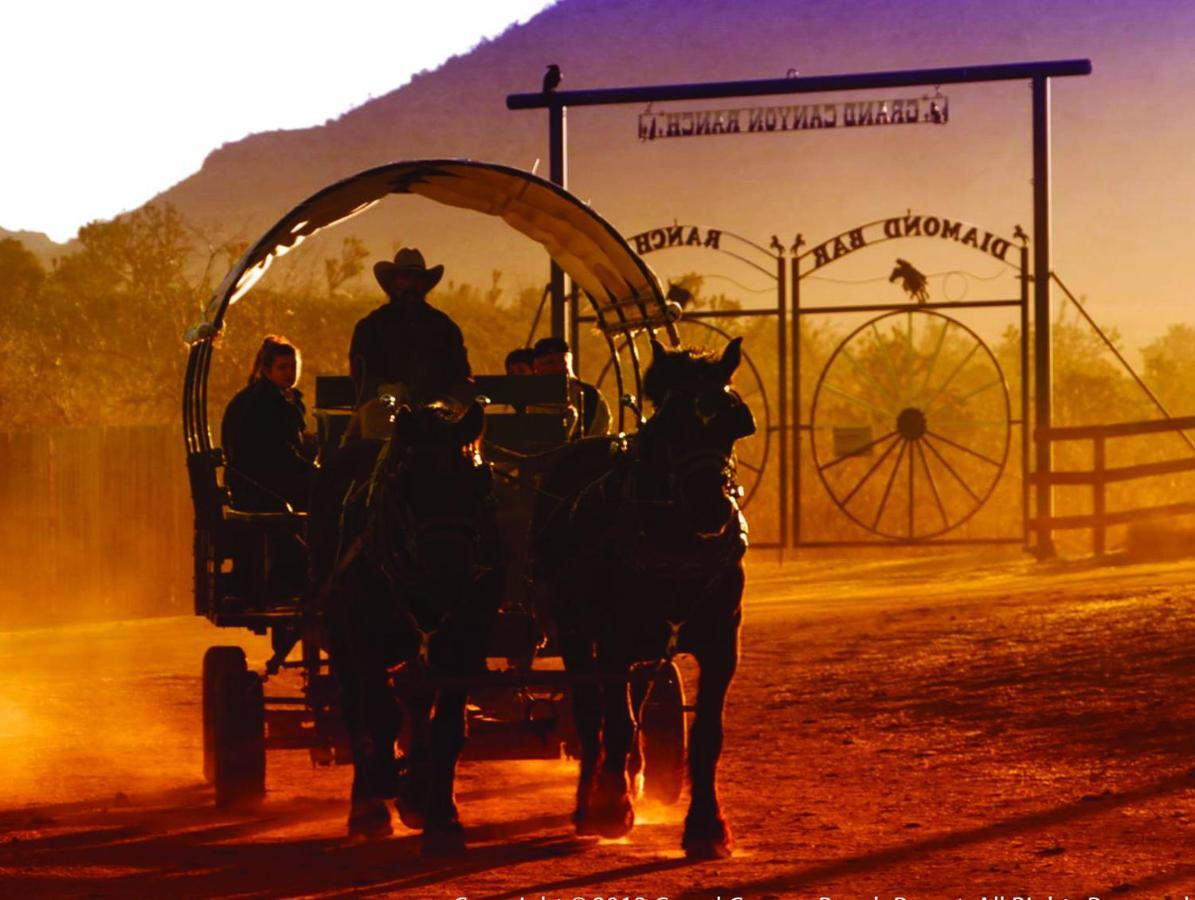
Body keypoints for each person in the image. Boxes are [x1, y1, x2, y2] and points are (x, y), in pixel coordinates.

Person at [349, 248, 473, 411]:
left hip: (435, 415)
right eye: (406, 276)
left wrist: (449, 402)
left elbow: (460, 374)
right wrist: (386, 392)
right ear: (394, 282)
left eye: (418, 278)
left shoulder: (444, 327)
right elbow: (364, 374)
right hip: (385, 412)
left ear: (425, 283)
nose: (413, 284)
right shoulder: (371, 327)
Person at [221, 335, 318, 512]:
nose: (289, 372)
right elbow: (278, 453)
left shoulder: (266, 397)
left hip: (247, 483)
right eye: (282, 368)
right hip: (260, 487)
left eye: (293, 367)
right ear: (267, 370)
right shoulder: (267, 402)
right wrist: (314, 469)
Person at [532, 336, 612, 437]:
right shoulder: (528, 395)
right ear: (536, 367)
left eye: (562, 361)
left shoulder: (589, 394)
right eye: (549, 363)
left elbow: (599, 430)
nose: (558, 367)